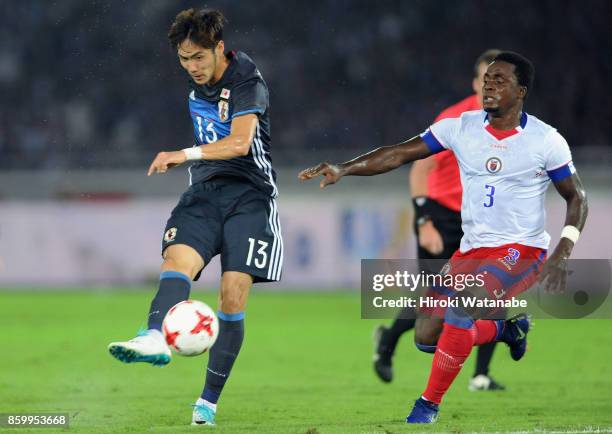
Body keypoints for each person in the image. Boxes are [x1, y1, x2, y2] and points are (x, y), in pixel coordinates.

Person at [299, 51, 587, 423]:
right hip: (471, 250)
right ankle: (506, 329)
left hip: (522, 249)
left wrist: (562, 253)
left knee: (461, 308)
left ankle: (426, 406)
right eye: (487, 80)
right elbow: (399, 154)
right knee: (426, 336)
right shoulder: (461, 126)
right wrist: (345, 168)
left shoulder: (546, 140)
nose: (490, 86)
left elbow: (577, 196)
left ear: (522, 90)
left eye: (500, 81)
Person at [108, 9, 283, 426]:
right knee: (177, 262)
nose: (193, 67)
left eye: (199, 57)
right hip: (204, 192)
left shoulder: (246, 79)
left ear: (219, 48)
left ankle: (207, 402)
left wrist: (181, 153)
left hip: (251, 196)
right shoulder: (196, 81)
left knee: (232, 295)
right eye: (185, 59)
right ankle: (153, 337)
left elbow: (241, 144)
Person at [373, 49, 507, 392]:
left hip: (483, 223)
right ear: (475, 83)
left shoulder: (513, 124)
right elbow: (421, 167)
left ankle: (481, 375)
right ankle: (388, 341)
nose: (491, 85)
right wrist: (423, 221)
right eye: (486, 78)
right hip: (442, 216)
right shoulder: (455, 119)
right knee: (434, 298)